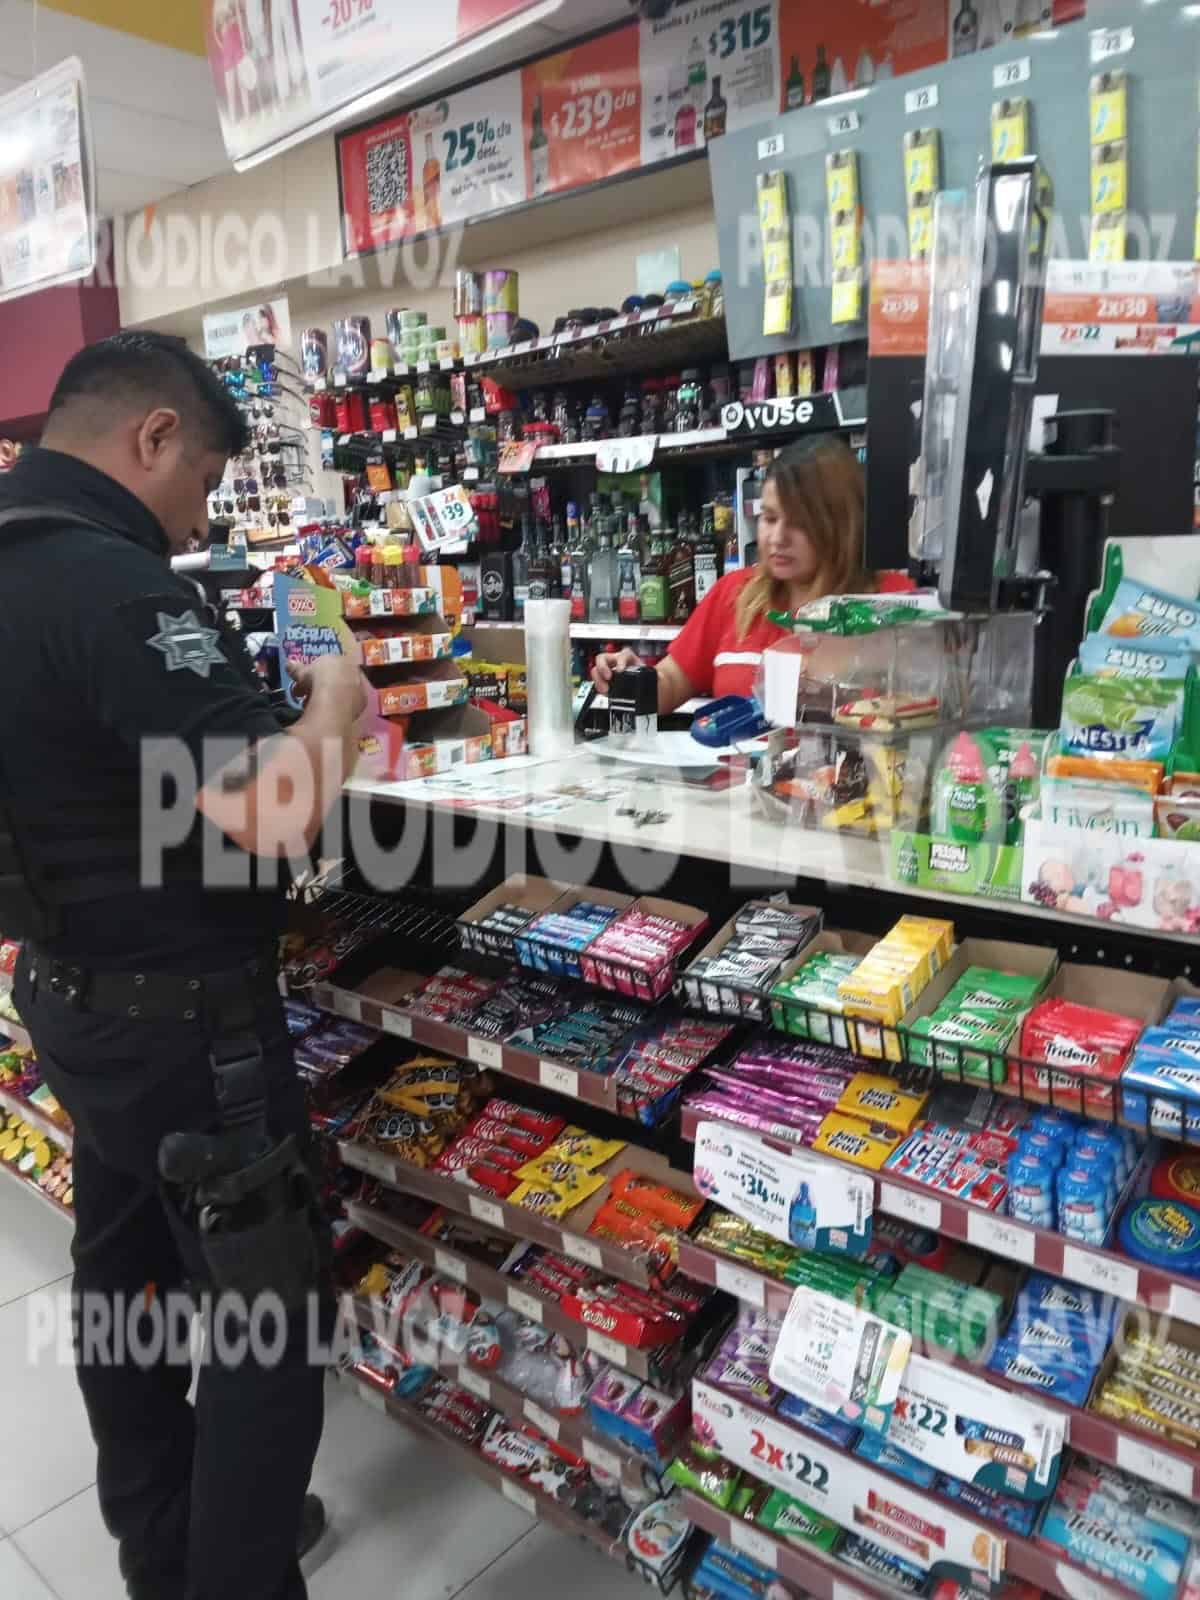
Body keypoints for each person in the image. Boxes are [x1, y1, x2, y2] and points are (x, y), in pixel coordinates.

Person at [0, 332, 366, 1600]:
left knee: (124, 1287)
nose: (200, 512)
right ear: (152, 436)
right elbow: (274, 810)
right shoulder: (113, 585)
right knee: (267, 1330)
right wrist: (337, 704)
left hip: (69, 998)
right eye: (204, 482)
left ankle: (164, 1552)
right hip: (189, 1032)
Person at [592, 434, 874, 713]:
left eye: (799, 523)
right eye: (770, 518)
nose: (777, 537)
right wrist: (633, 679)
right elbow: (671, 682)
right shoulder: (735, 593)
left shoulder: (890, 606)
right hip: (736, 758)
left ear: (840, 524)